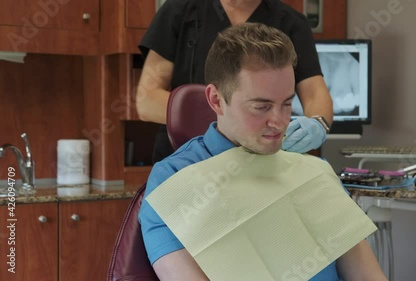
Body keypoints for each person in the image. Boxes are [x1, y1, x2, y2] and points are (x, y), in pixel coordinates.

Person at [139, 23, 387, 281]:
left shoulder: (311, 170)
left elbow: (368, 275)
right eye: (261, 106)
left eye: (287, 104)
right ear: (215, 100)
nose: (279, 122)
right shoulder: (174, 180)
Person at [136, 0, 333, 163]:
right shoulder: (179, 11)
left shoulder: (290, 22)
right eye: (261, 105)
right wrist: (233, 120)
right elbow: (147, 101)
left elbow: (315, 93)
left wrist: (317, 124)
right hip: (187, 160)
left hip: (263, 165)